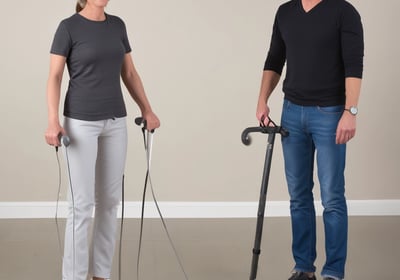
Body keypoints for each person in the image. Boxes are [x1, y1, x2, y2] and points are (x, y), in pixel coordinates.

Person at [44, 0, 160, 279]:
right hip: (80, 123)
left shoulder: (117, 25)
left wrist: (147, 108)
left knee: (109, 203)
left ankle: (101, 274)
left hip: (115, 122)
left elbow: (129, 72)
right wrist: (52, 120)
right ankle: (74, 276)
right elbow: (55, 76)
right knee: (81, 206)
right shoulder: (68, 28)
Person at [255, 0, 363, 279]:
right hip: (291, 112)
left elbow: (354, 66)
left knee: (332, 197)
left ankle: (333, 271)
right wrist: (262, 101)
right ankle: (303, 267)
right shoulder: (285, 12)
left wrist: (350, 112)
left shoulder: (344, 12)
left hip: (329, 114)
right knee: (299, 196)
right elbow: (274, 59)